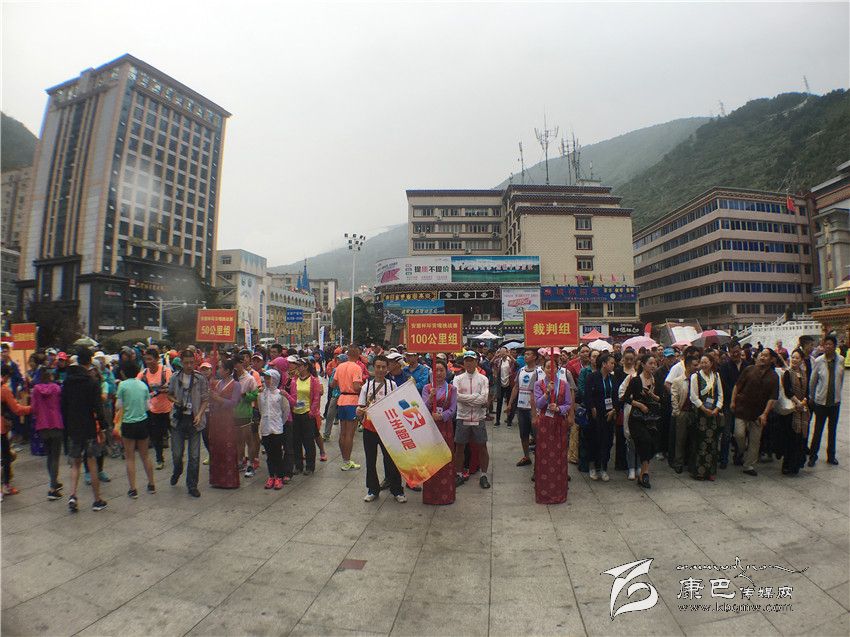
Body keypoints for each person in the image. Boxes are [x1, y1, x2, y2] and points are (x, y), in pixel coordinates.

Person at [61, 348, 108, 512]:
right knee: (92, 462)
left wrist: (66, 426)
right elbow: (98, 408)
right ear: (89, 361)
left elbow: (63, 406)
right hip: (89, 427)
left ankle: (72, 495)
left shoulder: (67, 381)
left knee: (75, 463)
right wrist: (103, 426)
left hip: (73, 428)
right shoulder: (92, 382)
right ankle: (97, 500)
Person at [357, 355, 405, 502]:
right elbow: (360, 406)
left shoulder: (392, 385)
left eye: (384, 367)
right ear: (373, 367)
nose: (381, 370)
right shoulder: (366, 386)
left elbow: (398, 405)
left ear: (387, 368)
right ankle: (372, 489)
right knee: (370, 460)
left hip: (388, 428)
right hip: (370, 428)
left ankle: (397, 490)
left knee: (391, 460)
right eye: (378, 367)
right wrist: (359, 411)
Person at [167, 349, 209, 497]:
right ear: (181, 362)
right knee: (177, 454)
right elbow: (169, 394)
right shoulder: (174, 377)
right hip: (178, 419)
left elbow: (205, 399)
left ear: (195, 362)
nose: (189, 366)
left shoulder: (200, 378)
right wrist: (176, 401)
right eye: (186, 363)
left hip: (194, 420)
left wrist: (199, 414)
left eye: (191, 362)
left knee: (195, 456)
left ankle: (192, 485)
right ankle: (177, 470)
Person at [731, 348, 779, 477]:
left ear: (772, 359)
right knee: (739, 434)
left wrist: (765, 414)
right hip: (742, 409)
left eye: (766, 356)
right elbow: (737, 386)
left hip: (759, 412)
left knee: (755, 440)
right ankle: (741, 450)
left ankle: (749, 465)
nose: (762, 357)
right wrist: (733, 401)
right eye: (761, 355)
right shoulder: (749, 370)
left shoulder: (774, 376)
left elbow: (773, 397)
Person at [533, 357, 571, 504]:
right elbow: (538, 404)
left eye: (553, 367)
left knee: (559, 455)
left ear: (558, 368)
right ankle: (544, 492)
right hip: (544, 423)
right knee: (544, 456)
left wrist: (559, 409)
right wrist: (547, 393)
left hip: (559, 423)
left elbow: (568, 404)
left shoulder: (564, 384)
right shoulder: (538, 384)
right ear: (543, 369)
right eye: (548, 367)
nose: (551, 369)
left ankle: (559, 491)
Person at [114, 360, 156, 498]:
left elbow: (118, 405)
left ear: (123, 372)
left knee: (130, 457)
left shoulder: (122, 385)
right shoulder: (143, 385)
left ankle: (133, 489)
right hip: (142, 422)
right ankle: (151, 484)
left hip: (128, 423)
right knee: (145, 456)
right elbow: (147, 407)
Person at [452, 351, 491, 489]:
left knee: (482, 446)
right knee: (460, 447)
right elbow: (456, 396)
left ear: (476, 362)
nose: (469, 363)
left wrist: (467, 399)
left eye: (471, 360)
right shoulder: (457, 378)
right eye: (466, 360)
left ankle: (484, 475)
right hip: (462, 417)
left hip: (478, 417)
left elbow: (484, 399)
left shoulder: (483, 379)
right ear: (463, 362)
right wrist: (475, 397)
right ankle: (459, 474)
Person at [622, 354, 662, 488]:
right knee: (645, 440)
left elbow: (660, 398)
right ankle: (643, 473)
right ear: (643, 364)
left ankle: (644, 473)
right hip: (637, 418)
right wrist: (639, 405)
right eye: (650, 363)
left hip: (652, 418)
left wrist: (652, 395)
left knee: (651, 443)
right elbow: (625, 398)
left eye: (655, 363)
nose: (653, 366)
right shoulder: (635, 380)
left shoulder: (655, 380)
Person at [421, 360, 457, 505]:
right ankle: (430, 496)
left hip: (445, 428)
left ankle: (446, 495)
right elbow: (422, 408)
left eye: (442, 370)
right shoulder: (427, 388)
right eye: (436, 370)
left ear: (446, 372)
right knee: (430, 460)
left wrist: (442, 416)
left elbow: (453, 409)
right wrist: (430, 398)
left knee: (444, 458)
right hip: (430, 428)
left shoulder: (452, 389)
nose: (439, 373)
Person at [808, 334, 844, 467]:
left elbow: (841, 379)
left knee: (832, 430)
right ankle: (813, 456)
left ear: (835, 346)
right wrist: (812, 397)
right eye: (826, 344)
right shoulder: (819, 361)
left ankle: (831, 456)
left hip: (835, 402)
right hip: (821, 402)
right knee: (818, 430)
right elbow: (813, 381)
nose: (828, 347)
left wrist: (838, 394)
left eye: (830, 344)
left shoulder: (840, 360)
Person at [689, 355, 724, 481]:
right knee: (700, 442)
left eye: (706, 362)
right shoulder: (695, 376)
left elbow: (720, 395)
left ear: (711, 363)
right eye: (702, 362)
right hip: (700, 414)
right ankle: (699, 471)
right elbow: (693, 396)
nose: (704, 365)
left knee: (712, 443)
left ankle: (710, 471)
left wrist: (717, 408)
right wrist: (703, 408)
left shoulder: (716, 376)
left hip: (713, 414)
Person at [208, 359, 241, 488]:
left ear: (227, 370)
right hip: (216, 420)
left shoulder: (236, 385)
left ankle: (229, 481)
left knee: (228, 449)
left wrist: (218, 398)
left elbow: (233, 403)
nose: (218, 370)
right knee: (216, 448)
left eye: (220, 368)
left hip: (228, 421)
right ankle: (217, 479)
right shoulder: (216, 383)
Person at [584, 352, 617, 482]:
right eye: (611, 363)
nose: (613, 365)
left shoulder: (612, 378)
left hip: (609, 413)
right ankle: (593, 466)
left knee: (607, 441)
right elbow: (588, 395)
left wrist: (614, 410)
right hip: (595, 414)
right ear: (604, 364)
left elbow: (616, 396)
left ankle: (603, 468)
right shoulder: (592, 377)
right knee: (594, 440)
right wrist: (592, 408)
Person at [718, 343, 751, 469]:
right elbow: (724, 385)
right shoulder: (724, 367)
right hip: (728, 404)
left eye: (737, 351)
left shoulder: (748, 366)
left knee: (740, 433)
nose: (735, 354)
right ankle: (724, 459)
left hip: (743, 404)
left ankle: (739, 456)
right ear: (729, 352)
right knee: (726, 433)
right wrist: (734, 396)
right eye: (733, 352)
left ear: (740, 350)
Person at [332, 344, 365, 471]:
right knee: (350, 434)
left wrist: (343, 384)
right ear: (357, 354)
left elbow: (333, 384)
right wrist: (364, 388)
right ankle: (347, 461)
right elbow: (356, 387)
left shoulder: (340, 366)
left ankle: (344, 459)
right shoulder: (356, 367)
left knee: (343, 432)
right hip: (352, 401)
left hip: (341, 400)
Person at [139, 348, 172, 471]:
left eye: (150, 359)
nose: (148, 362)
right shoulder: (143, 374)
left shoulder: (166, 371)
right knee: (156, 437)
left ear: (157, 359)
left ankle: (177, 456)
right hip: (153, 411)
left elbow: (171, 386)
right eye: (146, 359)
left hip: (169, 409)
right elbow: (138, 387)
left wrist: (159, 390)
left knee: (175, 435)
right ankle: (159, 459)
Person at [1, 363, 32, 497]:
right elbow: (17, 409)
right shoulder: (4, 389)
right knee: (6, 457)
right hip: (1, 429)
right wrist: (31, 408)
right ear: (7, 376)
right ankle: (6, 486)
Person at [258, 368, 290, 489]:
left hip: (277, 428)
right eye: (265, 378)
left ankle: (279, 477)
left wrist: (280, 422)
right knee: (269, 454)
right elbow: (261, 409)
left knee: (277, 453)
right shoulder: (261, 394)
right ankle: (271, 475)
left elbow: (285, 410)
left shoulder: (280, 394)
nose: (266, 381)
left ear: (275, 379)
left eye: (269, 378)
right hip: (265, 428)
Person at [509, 348, 541, 467]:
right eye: (525, 354)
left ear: (535, 357)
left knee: (537, 436)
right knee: (523, 434)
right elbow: (516, 387)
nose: (526, 356)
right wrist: (510, 403)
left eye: (528, 354)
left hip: (535, 410)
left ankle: (540, 459)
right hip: (521, 407)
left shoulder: (539, 371)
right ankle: (526, 456)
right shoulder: (521, 370)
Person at [289, 358, 321, 475]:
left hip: (307, 414)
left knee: (308, 441)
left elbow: (316, 398)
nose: (297, 367)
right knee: (296, 441)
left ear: (306, 366)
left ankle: (310, 466)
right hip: (295, 413)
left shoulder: (313, 381)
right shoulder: (294, 380)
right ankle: (298, 465)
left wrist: (312, 412)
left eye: (300, 365)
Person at [780, 350, 809, 475]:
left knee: (800, 438)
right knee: (791, 439)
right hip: (792, 409)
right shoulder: (788, 373)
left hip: (802, 409)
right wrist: (798, 403)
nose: (794, 360)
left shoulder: (804, 373)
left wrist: (804, 402)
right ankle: (787, 465)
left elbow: (807, 390)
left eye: (797, 358)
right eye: (793, 357)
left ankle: (796, 464)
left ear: (801, 360)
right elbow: (788, 390)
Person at [670, 355, 699, 474]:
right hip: (683, 412)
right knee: (680, 439)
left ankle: (692, 463)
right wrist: (677, 412)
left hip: (695, 413)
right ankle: (678, 463)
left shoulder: (698, 380)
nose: (697, 367)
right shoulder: (678, 381)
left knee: (694, 439)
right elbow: (674, 397)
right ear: (687, 366)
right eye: (695, 365)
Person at [233, 355, 259, 477]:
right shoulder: (231, 378)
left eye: (237, 364)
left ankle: (251, 464)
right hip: (233, 413)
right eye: (233, 364)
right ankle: (240, 461)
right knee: (238, 440)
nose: (235, 367)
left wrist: (245, 395)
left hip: (246, 413)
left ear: (242, 363)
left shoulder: (249, 378)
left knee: (249, 440)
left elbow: (255, 395)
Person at [492, 347, 516, 427]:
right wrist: (495, 356)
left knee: (509, 403)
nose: (502, 353)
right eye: (501, 352)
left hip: (509, 384)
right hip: (500, 384)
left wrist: (510, 356)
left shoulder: (510, 361)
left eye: (504, 352)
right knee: (499, 403)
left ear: (507, 352)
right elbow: (490, 363)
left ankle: (509, 420)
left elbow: (517, 364)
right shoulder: (498, 361)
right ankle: (497, 421)